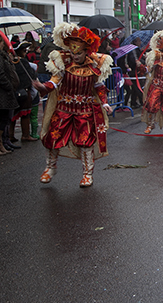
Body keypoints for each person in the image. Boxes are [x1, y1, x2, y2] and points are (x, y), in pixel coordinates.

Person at [32, 23, 114, 187]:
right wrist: (44, 87)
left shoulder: (95, 65)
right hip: (64, 109)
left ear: (86, 51)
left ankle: (87, 174)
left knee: (85, 142)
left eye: (78, 53)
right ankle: (50, 167)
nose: (74, 56)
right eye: (72, 52)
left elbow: (99, 87)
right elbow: (55, 81)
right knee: (52, 138)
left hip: (85, 110)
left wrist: (104, 103)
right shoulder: (63, 62)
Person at [0, 32, 20, 155]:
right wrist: (9, 85)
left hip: (7, 92)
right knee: (2, 119)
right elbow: (1, 74)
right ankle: (1, 144)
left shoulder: (4, 56)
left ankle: (4, 141)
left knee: (6, 118)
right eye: (2, 42)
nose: (3, 44)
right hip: (3, 92)